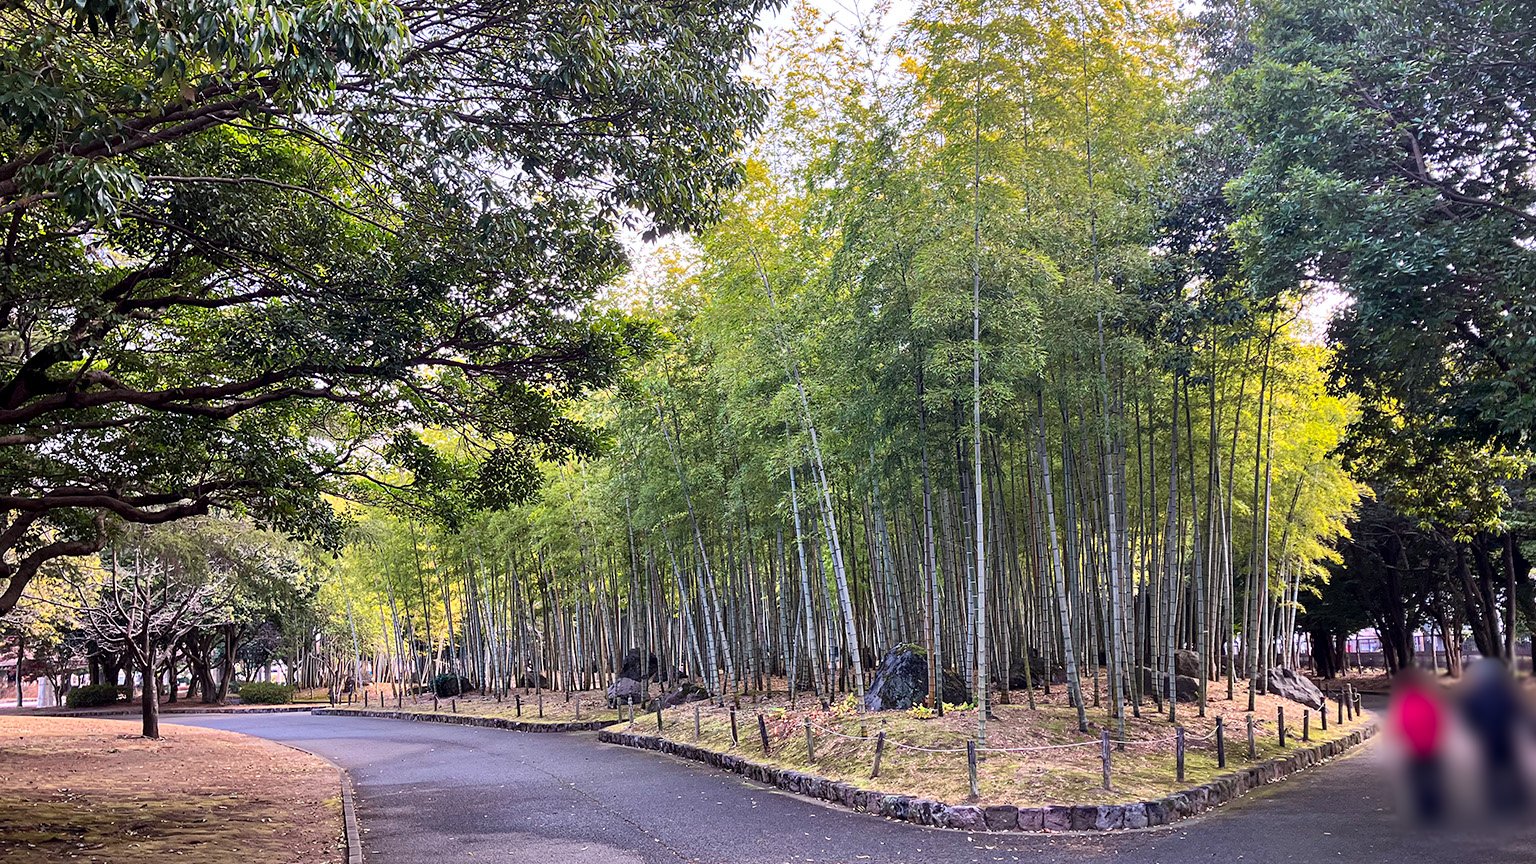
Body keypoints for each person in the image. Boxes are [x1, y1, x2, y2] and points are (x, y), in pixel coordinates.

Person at [1458, 658, 1530, 818]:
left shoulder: (1474, 694)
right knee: (1511, 767)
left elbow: (1467, 713)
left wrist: (1477, 727)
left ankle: (1498, 801)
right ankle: (1519, 798)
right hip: (1504, 734)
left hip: (1488, 736)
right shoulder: (1505, 691)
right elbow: (1519, 710)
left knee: (1493, 770)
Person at [1390, 667, 1447, 824]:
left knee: (1417, 779)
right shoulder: (1428, 699)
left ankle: (1423, 808)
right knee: (1433, 777)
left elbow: (1400, 726)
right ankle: (1434, 806)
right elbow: (1438, 721)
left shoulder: (1405, 702)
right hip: (1432, 747)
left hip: (1413, 749)